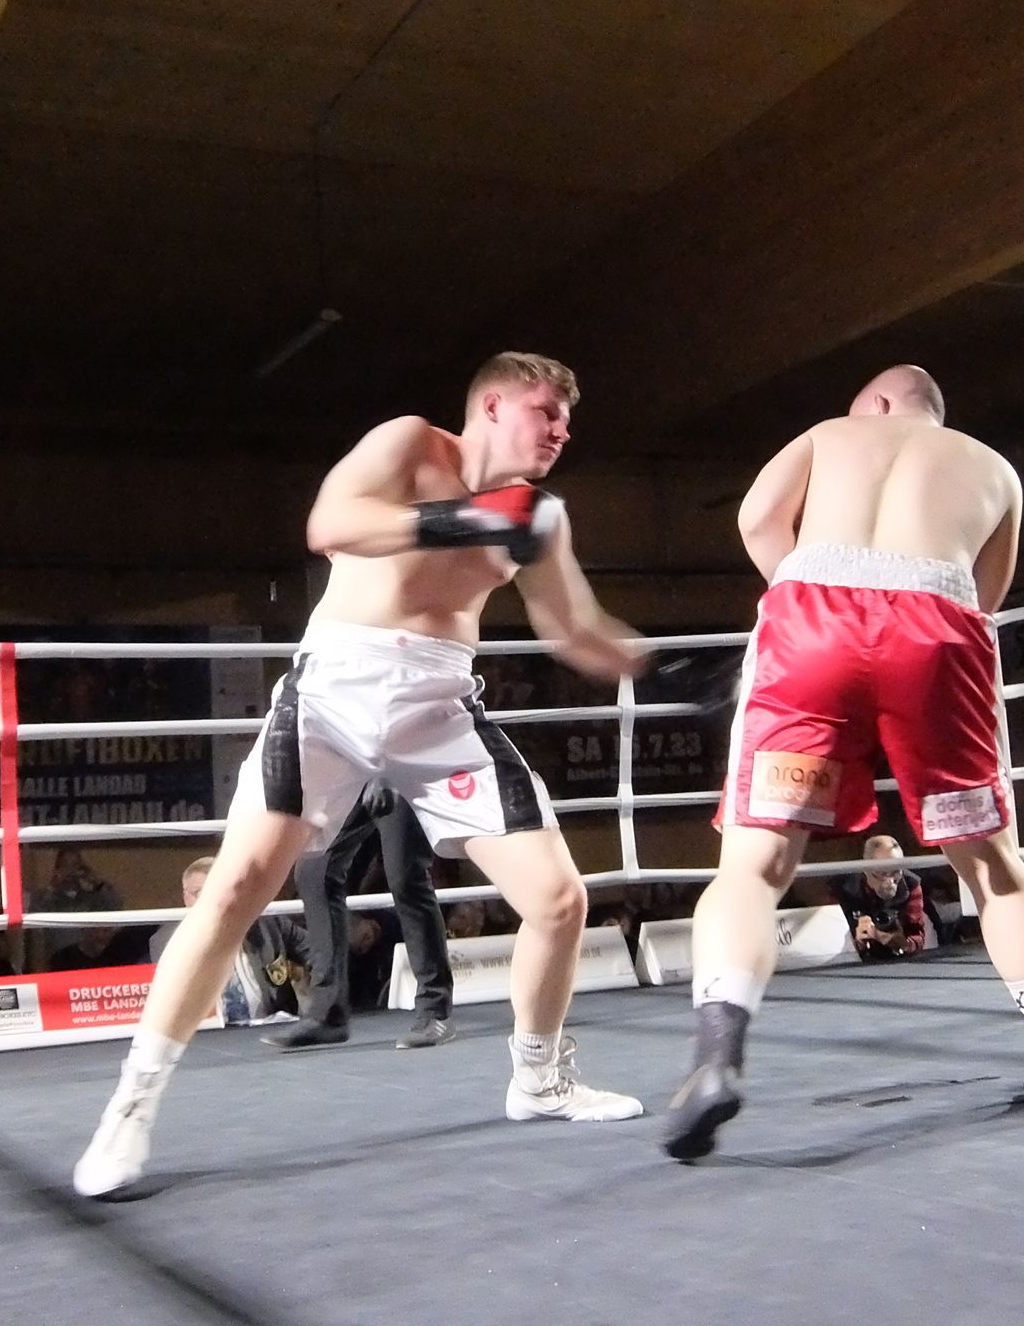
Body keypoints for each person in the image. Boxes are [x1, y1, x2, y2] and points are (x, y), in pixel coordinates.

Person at [74, 351, 649, 1197]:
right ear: (492, 407)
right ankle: (130, 1105)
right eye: (545, 411)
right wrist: (468, 518)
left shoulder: (541, 514)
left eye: (568, 419)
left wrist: (662, 669)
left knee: (560, 901)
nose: (561, 430)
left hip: (439, 705)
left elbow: (574, 628)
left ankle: (539, 1079)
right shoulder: (411, 443)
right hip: (333, 693)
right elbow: (331, 525)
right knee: (233, 890)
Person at [663, 364, 1024, 1163]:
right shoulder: (994, 469)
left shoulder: (832, 433)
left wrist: (810, 589)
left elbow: (758, 518)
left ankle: (716, 1060)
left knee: (755, 867)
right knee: (992, 866)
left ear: (880, 403)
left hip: (812, 626)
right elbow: (985, 597)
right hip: (936, 630)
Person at [267, 783, 457, 1050]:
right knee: (314, 872)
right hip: (354, 773)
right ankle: (327, 1013)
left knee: (405, 875)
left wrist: (384, 773)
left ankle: (435, 1009)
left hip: (400, 771)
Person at [151, 857, 313, 1024]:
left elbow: (319, 954)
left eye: (222, 891)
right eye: (201, 893)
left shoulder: (269, 923)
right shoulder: (167, 942)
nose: (215, 900)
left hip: (271, 1027)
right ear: (186, 897)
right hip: (209, 1034)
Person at [837, 836, 928, 960]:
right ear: (866, 870)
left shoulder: (911, 885)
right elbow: (835, 943)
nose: (890, 881)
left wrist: (904, 943)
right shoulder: (846, 890)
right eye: (882, 873)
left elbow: (917, 935)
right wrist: (857, 942)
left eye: (896, 872)